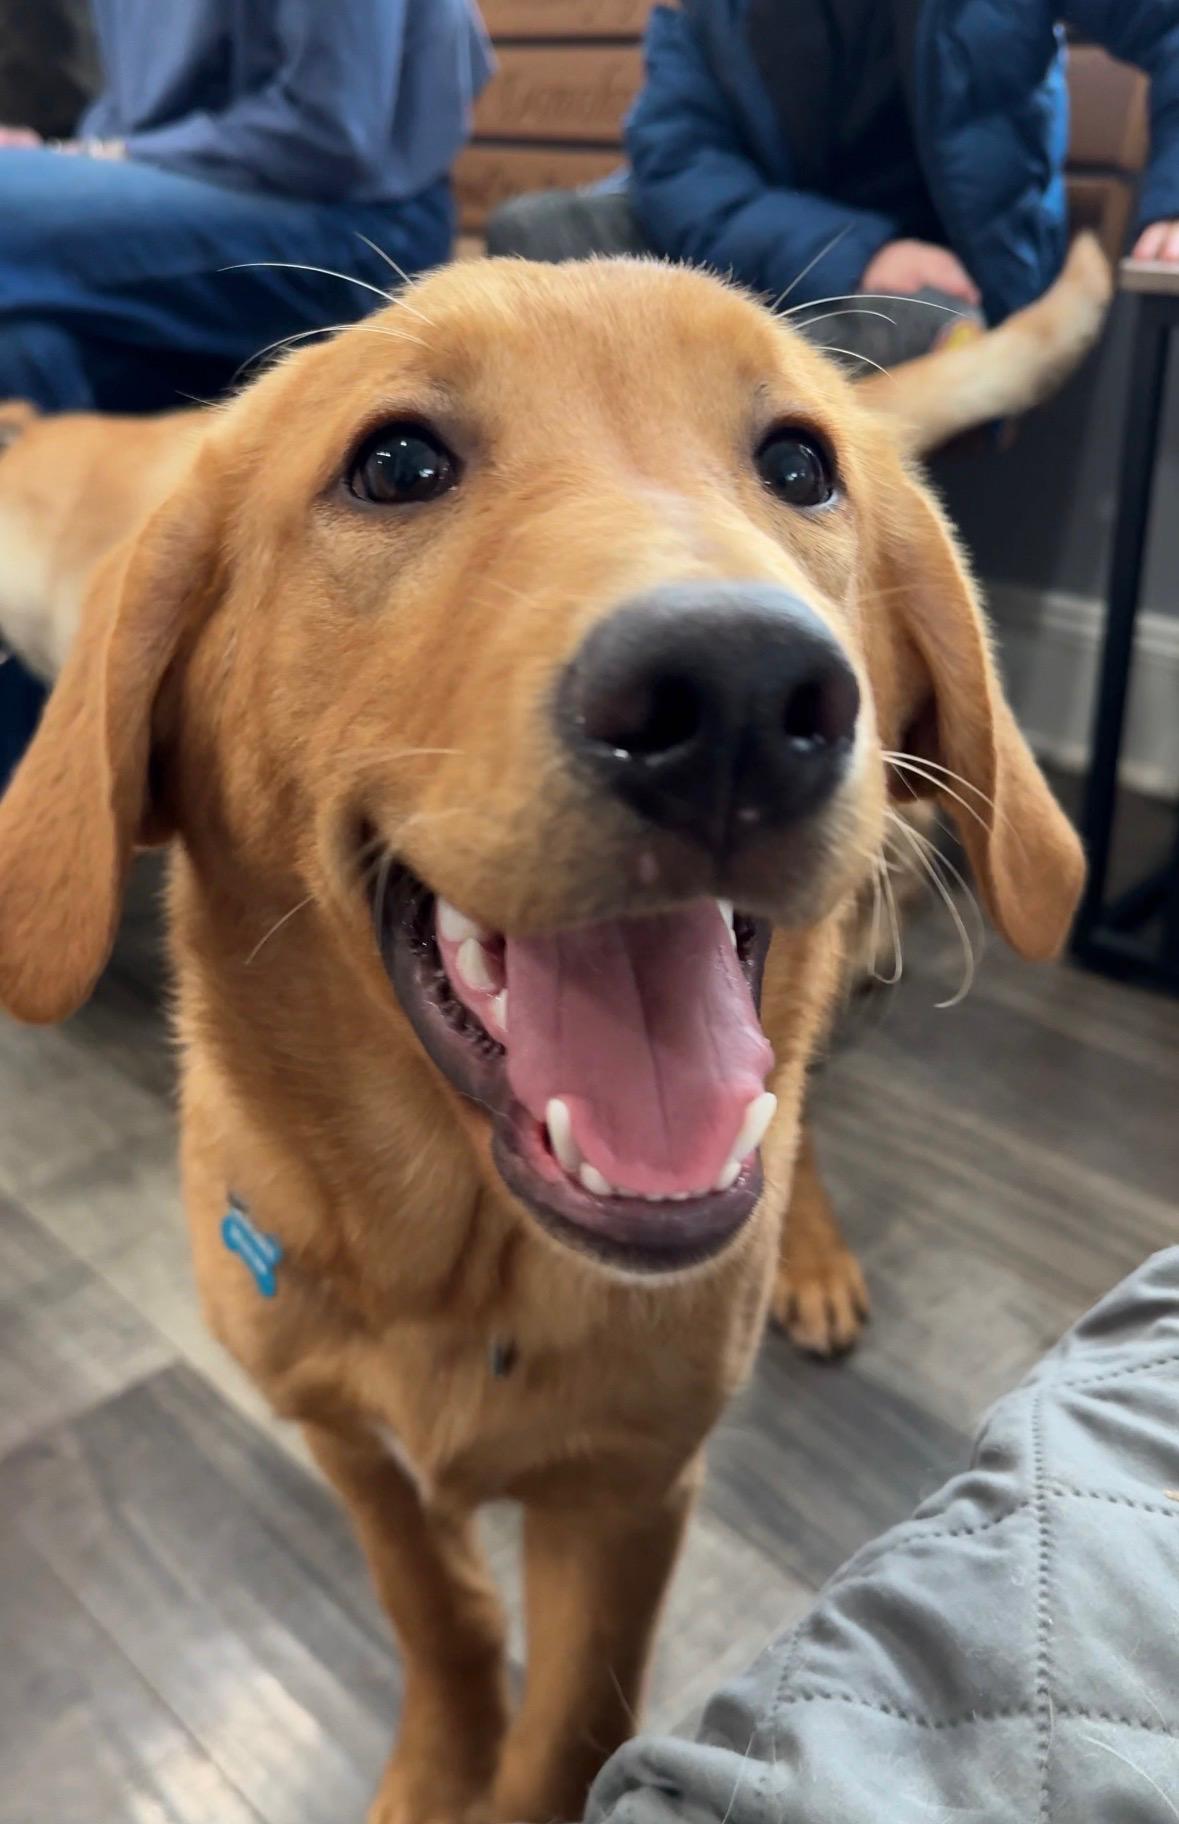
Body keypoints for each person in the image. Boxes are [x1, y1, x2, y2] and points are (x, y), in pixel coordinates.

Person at [0, 0, 491, 786]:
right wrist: (83, 155)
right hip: (199, 196)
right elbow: (130, 110)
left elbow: (335, 131)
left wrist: (85, 157)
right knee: (21, 349)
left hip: (347, 218)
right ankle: (45, 796)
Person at [625, 2, 1179, 324]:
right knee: (546, 233)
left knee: (873, 333)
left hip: (957, 277)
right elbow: (676, 159)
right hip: (775, 256)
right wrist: (855, 253)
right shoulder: (705, 14)